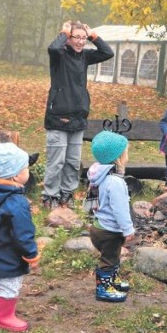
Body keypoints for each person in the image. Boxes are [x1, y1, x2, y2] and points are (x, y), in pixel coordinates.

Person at [42, 20, 114, 209]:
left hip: (78, 117)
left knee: (73, 162)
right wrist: (64, 33)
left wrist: (93, 36)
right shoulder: (60, 55)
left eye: (84, 38)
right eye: (77, 37)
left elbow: (108, 52)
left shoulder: (85, 57)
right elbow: (52, 48)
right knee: (56, 161)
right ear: (68, 38)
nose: (81, 42)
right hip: (58, 116)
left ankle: (67, 194)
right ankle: (50, 196)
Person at [0, 142, 40, 332]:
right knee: (11, 283)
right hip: (8, 253)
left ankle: (1, 310)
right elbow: (23, 234)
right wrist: (31, 254)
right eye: (25, 169)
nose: (27, 172)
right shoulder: (16, 202)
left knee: (2, 280)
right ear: (15, 175)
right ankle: (3, 317)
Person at [87, 131, 135, 303]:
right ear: (118, 157)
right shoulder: (115, 182)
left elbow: (91, 201)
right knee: (109, 259)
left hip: (98, 226)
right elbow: (120, 209)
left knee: (113, 257)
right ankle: (103, 289)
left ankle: (112, 281)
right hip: (109, 231)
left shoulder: (98, 175)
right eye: (126, 152)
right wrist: (128, 229)